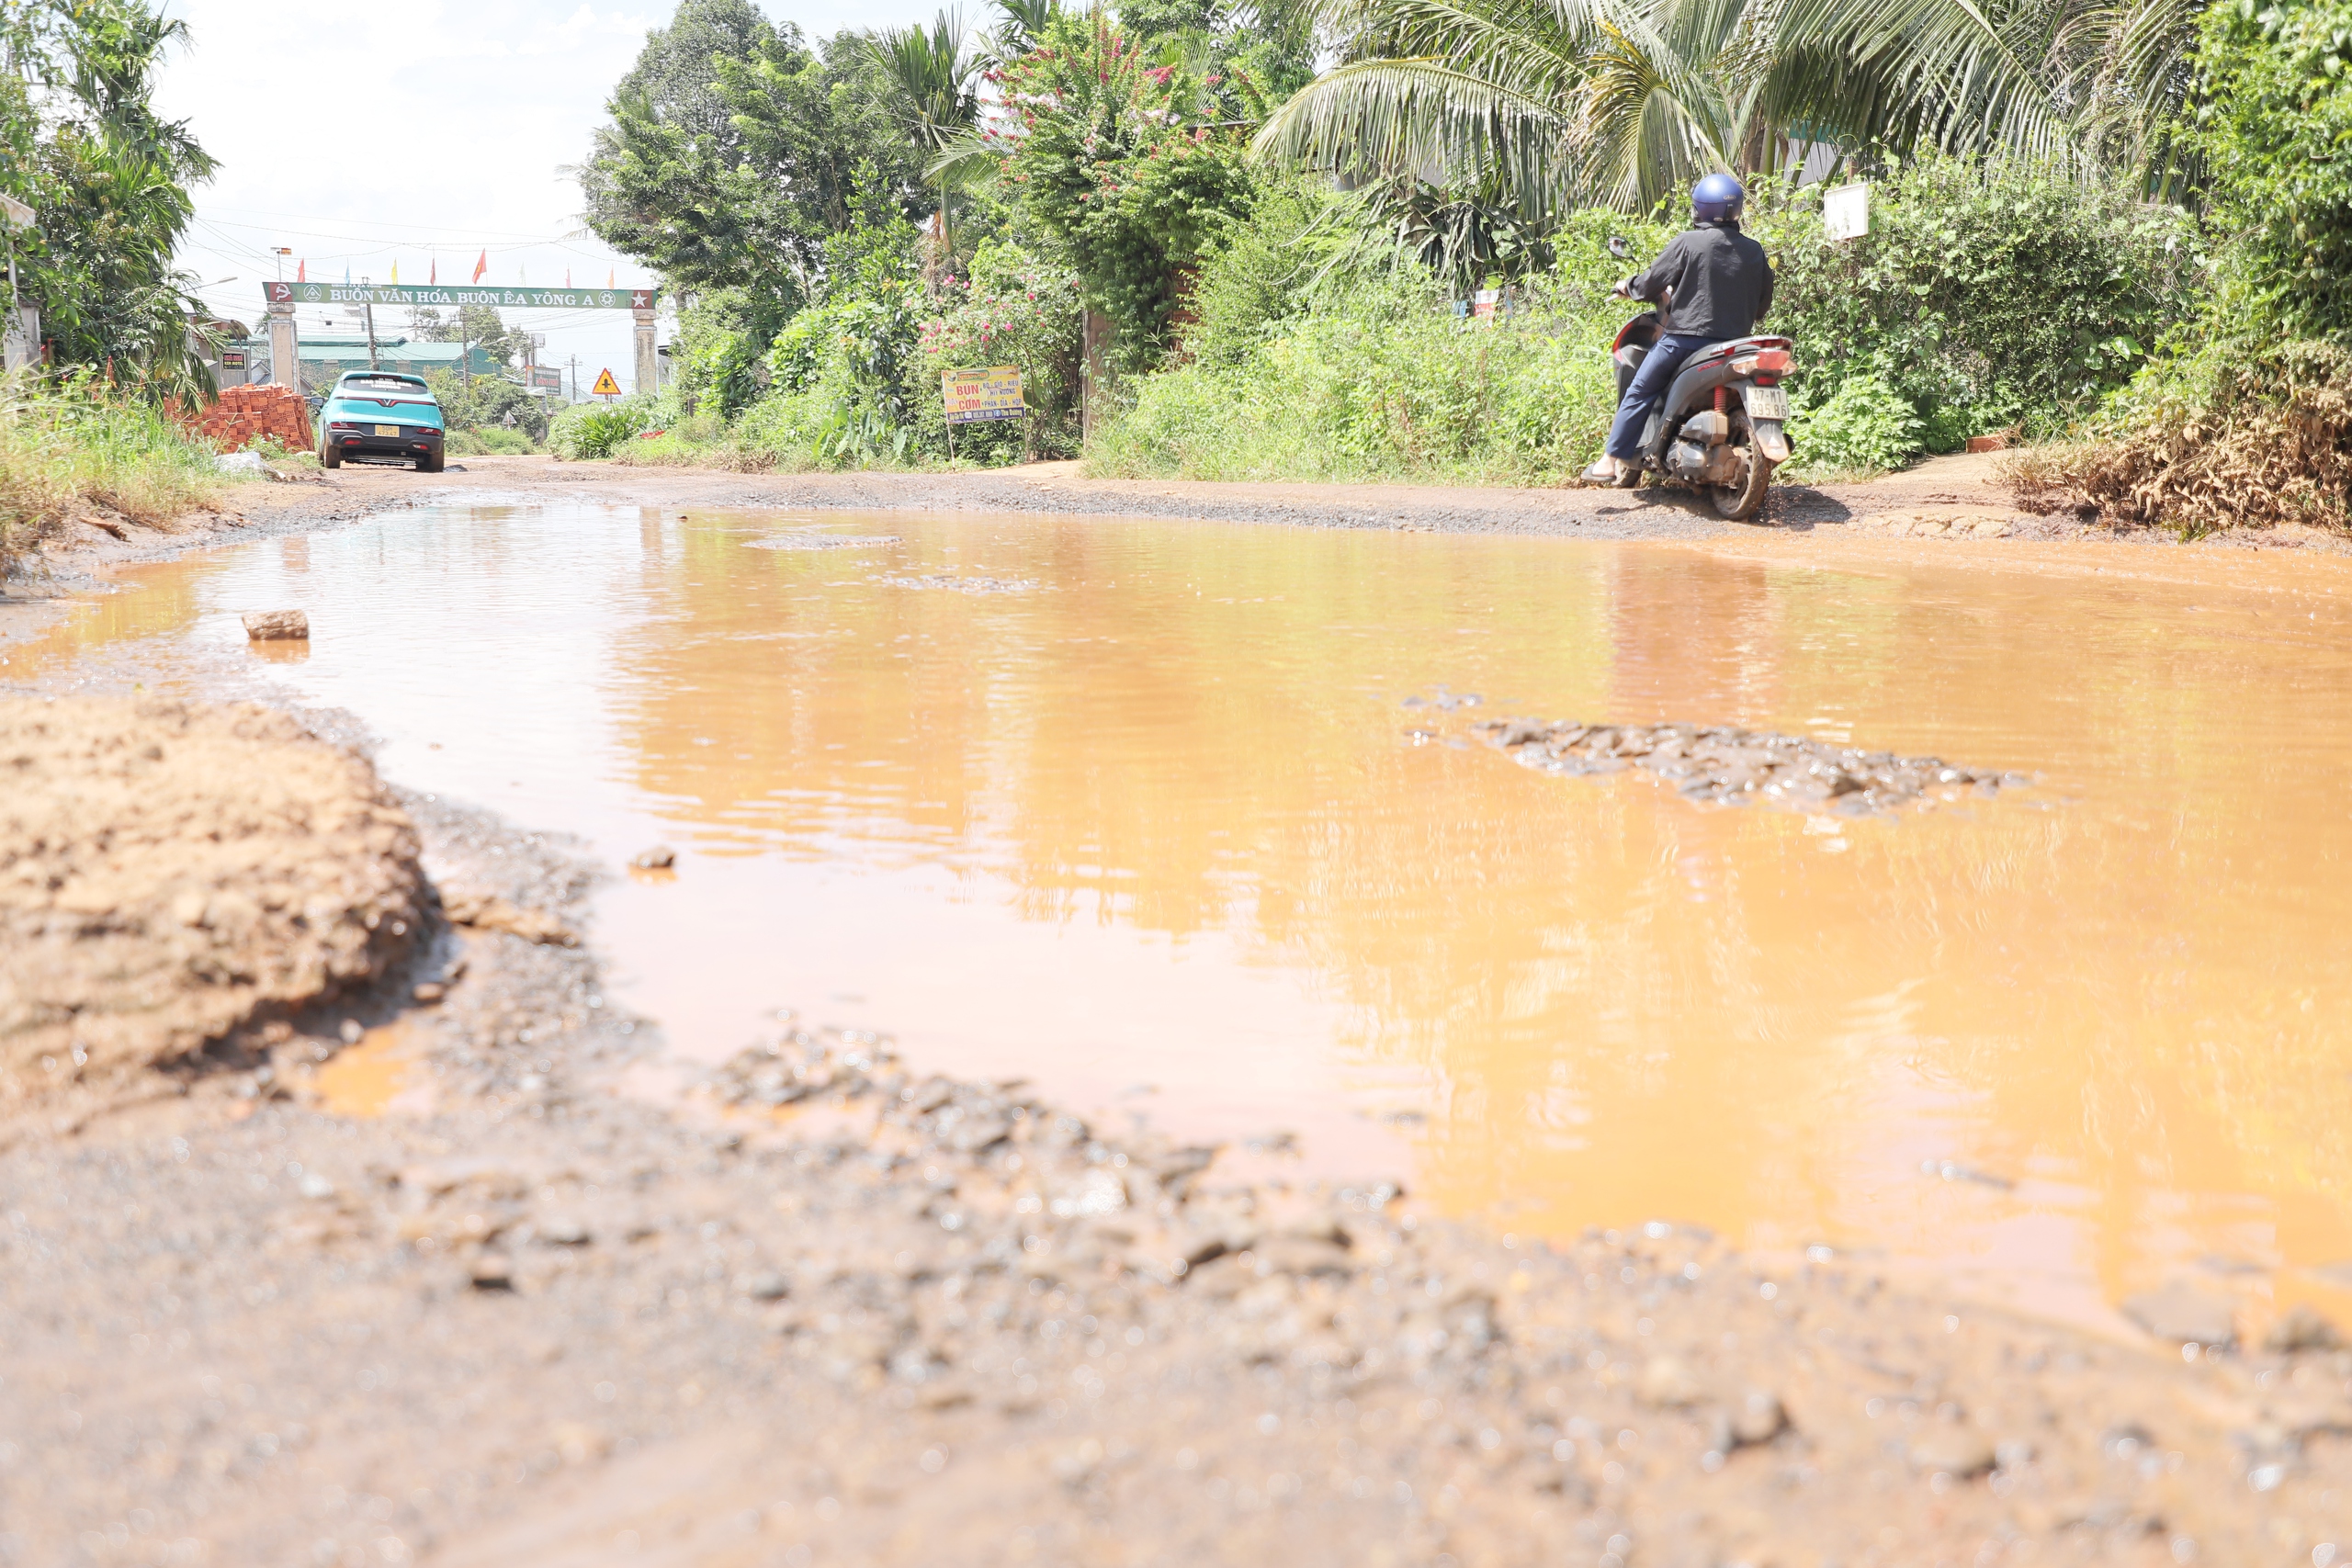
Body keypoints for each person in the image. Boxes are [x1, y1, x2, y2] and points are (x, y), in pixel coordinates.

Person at [1584, 174, 1774, 486]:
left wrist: (1627, 286)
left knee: (1640, 391)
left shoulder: (1688, 242)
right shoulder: (1754, 251)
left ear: (1700, 208)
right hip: (1739, 345)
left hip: (1685, 342)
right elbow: (1762, 305)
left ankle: (1608, 461)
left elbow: (1649, 284)